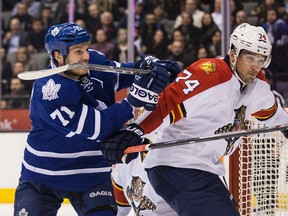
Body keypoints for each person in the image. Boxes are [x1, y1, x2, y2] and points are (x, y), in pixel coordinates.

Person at [101, 23, 288, 216]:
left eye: (261, 59)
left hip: (204, 170)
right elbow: (168, 102)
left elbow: (273, 115)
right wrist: (136, 130)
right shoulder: (210, 73)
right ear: (233, 53)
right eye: (250, 57)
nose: (255, 66)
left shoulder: (258, 87)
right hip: (176, 165)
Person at [13, 22, 179, 216]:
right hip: (43, 176)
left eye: (85, 48)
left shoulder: (94, 61)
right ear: (58, 56)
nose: (86, 56)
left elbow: (123, 74)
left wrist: (148, 70)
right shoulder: (51, 91)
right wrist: (134, 101)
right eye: (78, 51)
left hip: (91, 175)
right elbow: (99, 127)